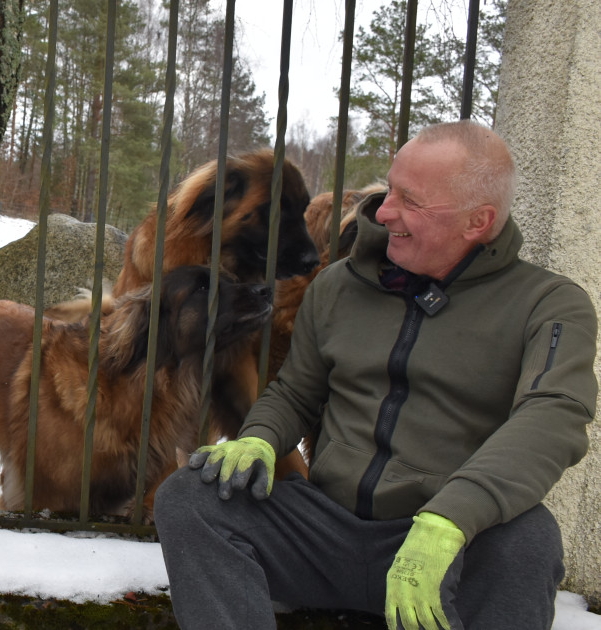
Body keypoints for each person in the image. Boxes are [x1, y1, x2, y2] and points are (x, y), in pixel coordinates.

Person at [155, 120, 597, 629]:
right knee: (193, 495)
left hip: (447, 545)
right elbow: (297, 391)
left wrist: (451, 519)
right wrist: (257, 440)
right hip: (324, 531)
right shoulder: (339, 286)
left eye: (411, 201)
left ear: (478, 222)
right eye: (391, 190)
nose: (384, 212)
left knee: (529, 537)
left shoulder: (550, 305)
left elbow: (553, 415)